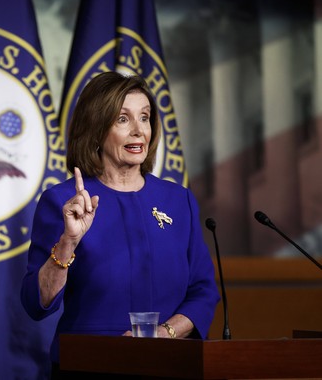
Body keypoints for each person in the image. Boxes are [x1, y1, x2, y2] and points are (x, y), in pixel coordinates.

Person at [20, 71, 220, 376]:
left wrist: (166, 333)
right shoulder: (63, 200)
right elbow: (36, 303)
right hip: (88, 367)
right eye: (123, 119)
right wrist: (68, 243)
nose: (139, 131)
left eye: (145, 117)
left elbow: (204, 291)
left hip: (170, 365)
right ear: (97, 129)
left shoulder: (178, 200)